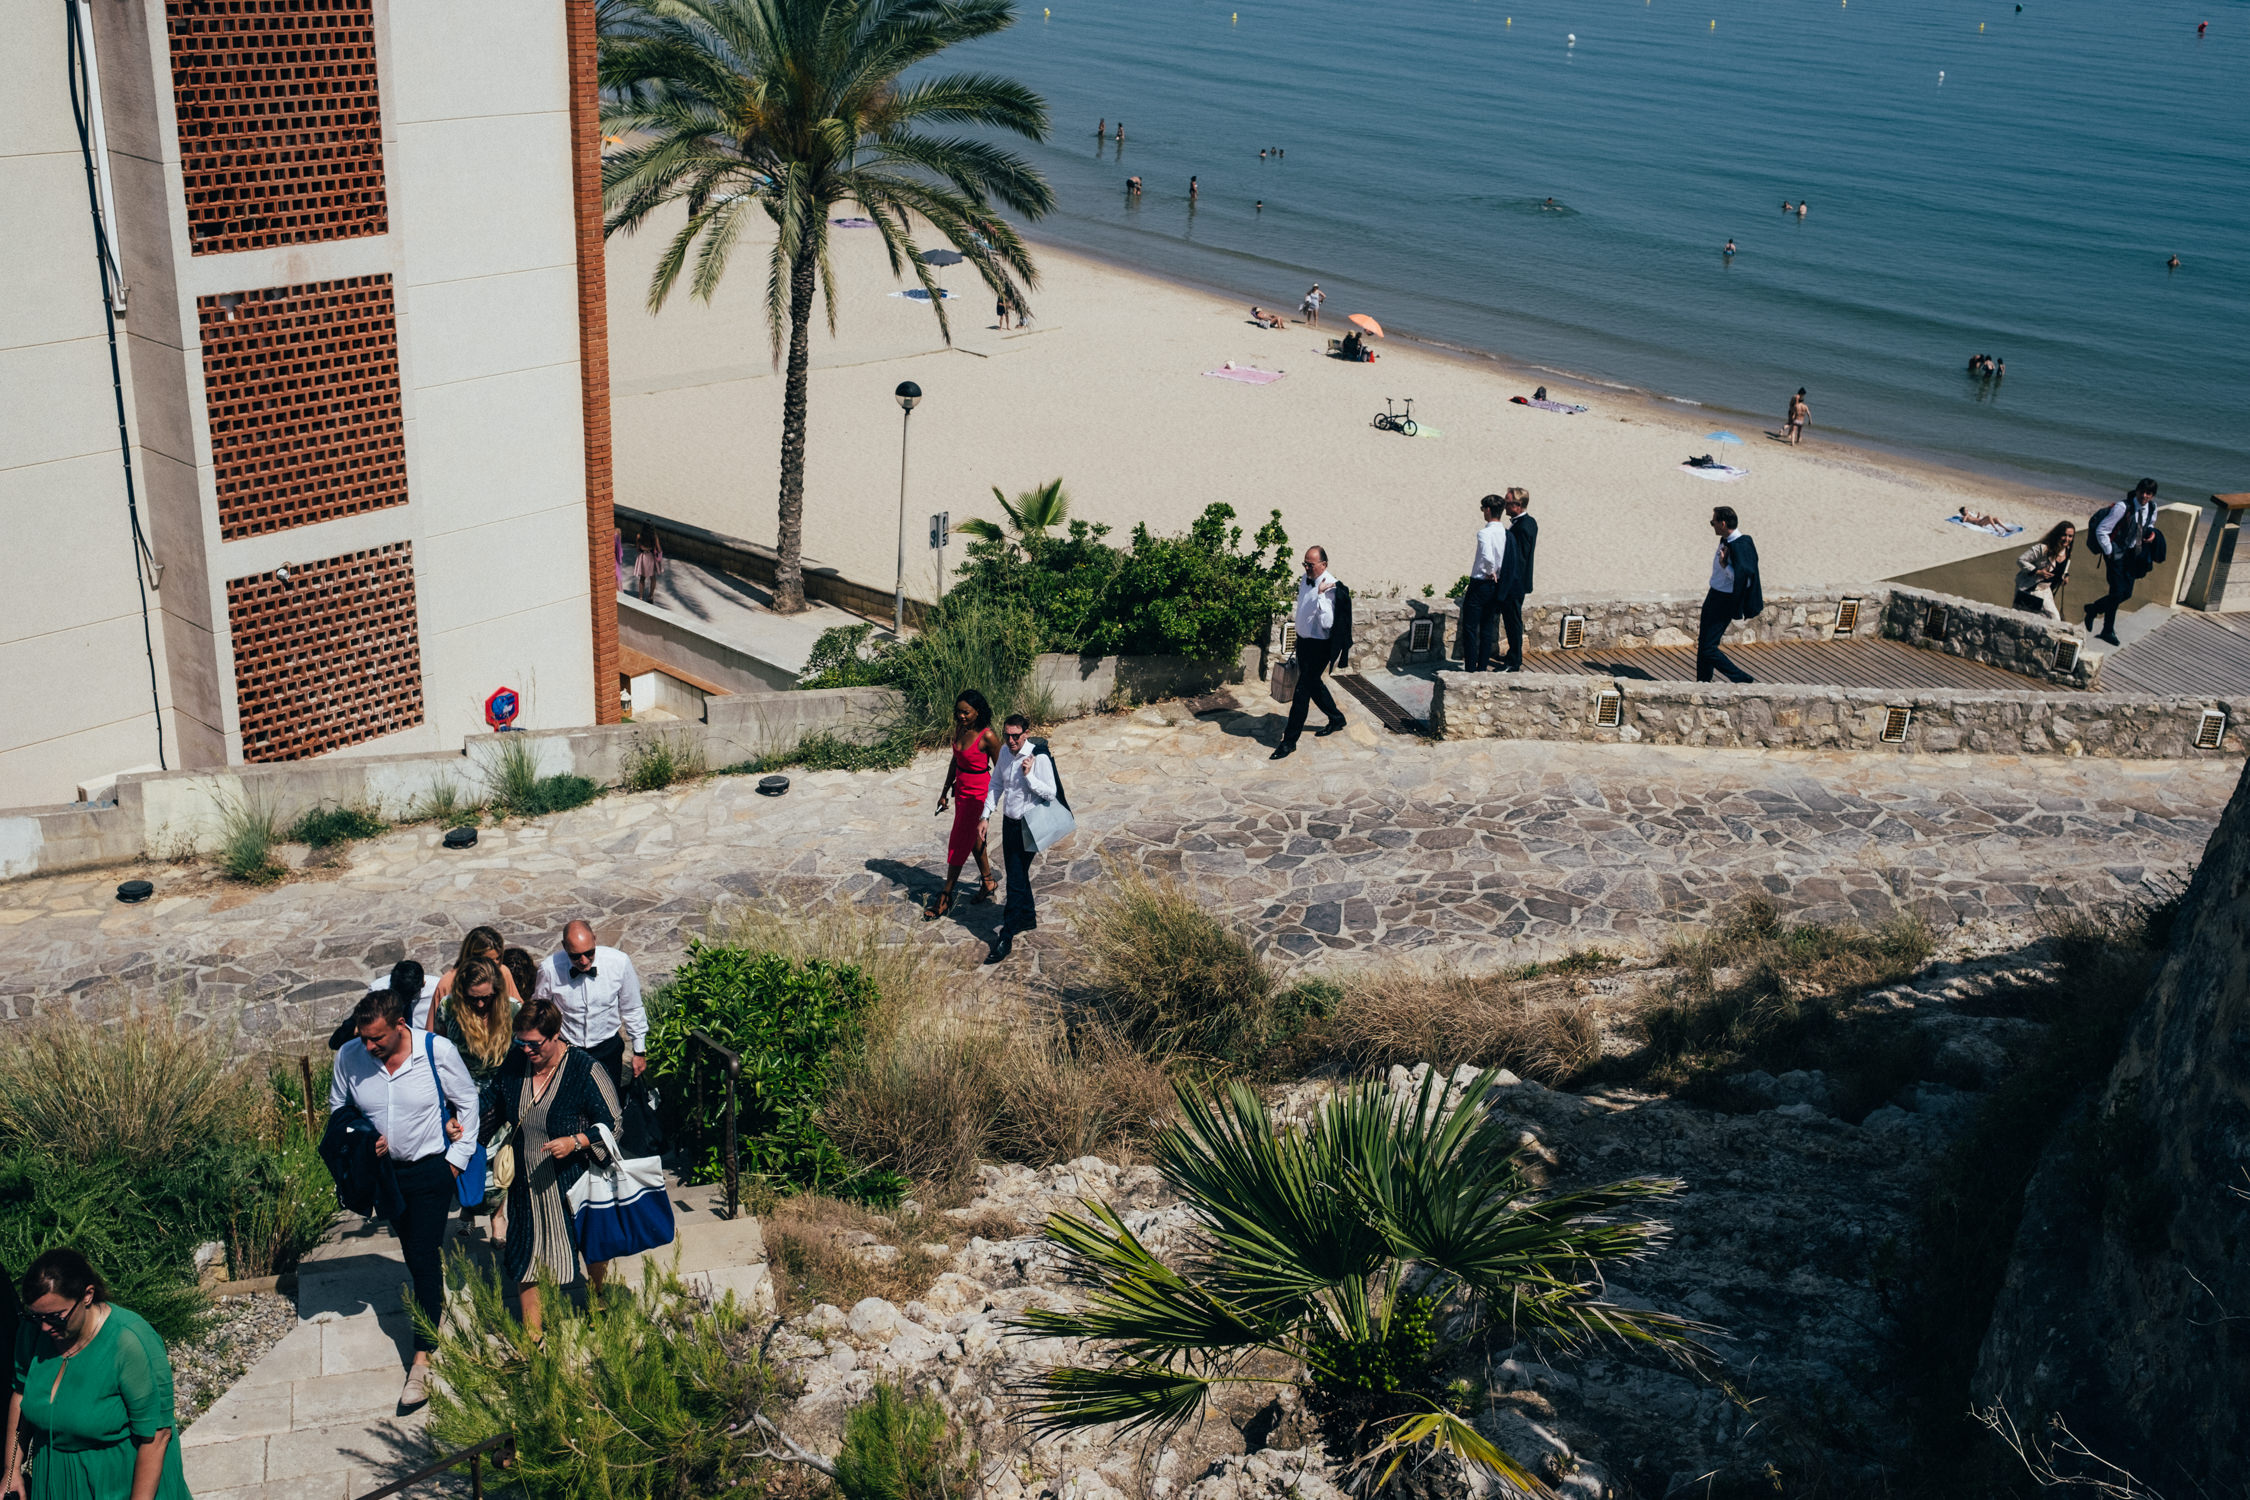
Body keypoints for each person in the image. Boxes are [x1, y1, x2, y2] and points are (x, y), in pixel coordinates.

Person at [329, 986, 478, 1410]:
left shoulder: (436, 1051)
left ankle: (422, 1359)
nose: (369, 1046)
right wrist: (362, 1138)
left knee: (423, 1254)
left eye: (377, 1038)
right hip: (385, 1176)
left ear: (400, 1025)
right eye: (364, 1038)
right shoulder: (350, 1057)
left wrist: (456, 1161)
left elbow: (468, 1101)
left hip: (432, 1171)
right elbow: (339, 1111)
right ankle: (434, 1305)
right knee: (413, 1251)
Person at [5, 1250, 191, 1500]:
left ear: (87, 1295)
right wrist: (11, 1470)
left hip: (122, 1484)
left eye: (55, 1317)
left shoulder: (129, 1341)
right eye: (37, 1317)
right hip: (57, 1483)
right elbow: (21, 1396)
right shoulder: (32, 1333)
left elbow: (157, 1436)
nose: (45, 1327)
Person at [488, 999, 622, 1346]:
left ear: (556, 1034)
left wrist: (577, 1141)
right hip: (527, 1179)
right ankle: (533, 1335)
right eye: (521, 1042)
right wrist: (464, 1132)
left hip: (574, 1177)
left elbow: (613, 1123)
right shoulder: (517, 1062)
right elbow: (494, 1104)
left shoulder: (584, 1069)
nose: (527, 1050)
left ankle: (596, 1296)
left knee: (589, 1244)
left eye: (534, 1043)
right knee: (524, 1251)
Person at [981, 714, 1061, 965]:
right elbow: (996, 784)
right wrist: (985, 816)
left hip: (1030, 824)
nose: (1011, 740)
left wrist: (1029, 776)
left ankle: (1005, 936)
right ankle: (1027, 917)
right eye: (1007, 735)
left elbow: (1051, 793)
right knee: (1018, 874)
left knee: (1015, 880)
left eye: (1016, 736)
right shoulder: (1005, 753)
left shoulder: (1039, 757)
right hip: (1009, 823)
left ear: (1026, 733)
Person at [531, 921, 647, 1094]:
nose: (584, 961)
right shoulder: (549, 969)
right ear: (564, 947)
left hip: (607, 1049)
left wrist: (639, 1051)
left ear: (594, 939)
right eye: (575, 956)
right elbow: (540, 1011)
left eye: (589, 953)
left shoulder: (619, 962)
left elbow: (632, 1008)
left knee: (609, 1101)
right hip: (567, 1051)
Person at [1273, 546, 1350, 759]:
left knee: (1302, 692)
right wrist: (1300, 635)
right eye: (1305, 563)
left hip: (1320, 647)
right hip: (1304, 642)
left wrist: (1321, 595)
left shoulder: (1332, 588)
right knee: (1314, 684)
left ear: (1324, 565)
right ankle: (1337, 718)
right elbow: (1303, 608)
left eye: (1311, 565)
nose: (1306, 568)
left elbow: (1327, 623)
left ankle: (1289, 742)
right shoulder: (1304, 579)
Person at [929, 690, 1001, 920]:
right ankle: (988, 881)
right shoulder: (960, 729)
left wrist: (992, 805)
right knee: (974, 839)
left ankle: (946, 895)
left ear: (978, 711)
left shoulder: (987, 737)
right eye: (958, 712)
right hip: (961, 791)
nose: (961, 716)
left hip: (978, 795)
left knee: (959, 840)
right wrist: (944, 793)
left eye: (966, 712)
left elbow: (1001, 772)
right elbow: (955, 761)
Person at [2083, 479, 2159, 645]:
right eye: (2142, 491)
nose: (2144, 496)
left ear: (2152, 495)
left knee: (2126, 593)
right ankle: (2107, 630)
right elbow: (2102, 530)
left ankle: (2094, 609)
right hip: (2116, 553)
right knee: (2117, 591)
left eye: (2148, 493)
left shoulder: (2152, 508)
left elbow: (2150, 523)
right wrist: (2109, 552)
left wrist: (2152, 533)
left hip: (2133, 555)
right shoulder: (2122, 507)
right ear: (2136, 491)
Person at [1696, 506, 1762, 684]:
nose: (1712, 525)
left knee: (1709, 648)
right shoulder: (1726, 540)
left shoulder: (1741, 545)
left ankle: (1742, 678)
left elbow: (1745, 580)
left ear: (1723, 524)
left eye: (1713, 522)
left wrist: (1725, 565)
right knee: (1704, 643)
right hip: (1714, 594)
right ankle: (1702, 683)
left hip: (1724, 600)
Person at [1457, 495, 1510, 673]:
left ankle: (1470, 668)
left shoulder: (1484, 533)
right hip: (1497, 584)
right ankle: (1482, 667)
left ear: (1488, 510)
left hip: (1480, 583)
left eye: (1483, 509)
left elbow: (1487, 556)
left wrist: (1490, 570)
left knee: (1470, 628)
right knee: (1487, 627)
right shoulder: (1506, 533)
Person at [434, 926, 524, 1009]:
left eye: (498, 958)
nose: (495, 965)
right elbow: (437, 1019)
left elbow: (518, 1009)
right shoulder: (448, 983)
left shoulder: (503, 972)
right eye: (489, 960)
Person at [1498, 488, 1539, 672]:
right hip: (1518, 583)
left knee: (1513, 622)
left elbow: (1519, 560)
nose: (1504, 506)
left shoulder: (1521, 528)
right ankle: (1513, 656)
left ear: (1517, 505)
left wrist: (1506, 584)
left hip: (1514, 584)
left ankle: (1514, 660)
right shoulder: (1530, 522)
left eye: (1507, 503)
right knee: (1512, 620)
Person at [2013, 521, 2075, 620]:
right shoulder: (2043, 548)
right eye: (2064, 535)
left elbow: (2063, 566)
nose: (2067, 539)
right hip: (2031, 589)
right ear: (2057, 534)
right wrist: (2037, 572)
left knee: (2044, 618)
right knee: (2053, 617)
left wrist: (2065, 575)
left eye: (2070, 536)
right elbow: (2021, 560)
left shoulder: (2067, 551)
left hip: (2046, 590)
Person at [631, 524, 664, 604]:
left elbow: (637, 548)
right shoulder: (654, 536)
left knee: (642, 578)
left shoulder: (639, 536)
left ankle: (640, 597)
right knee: (653, 577)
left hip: (642, 556)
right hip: (651, 556)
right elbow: (659, 548)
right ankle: (651, 596)